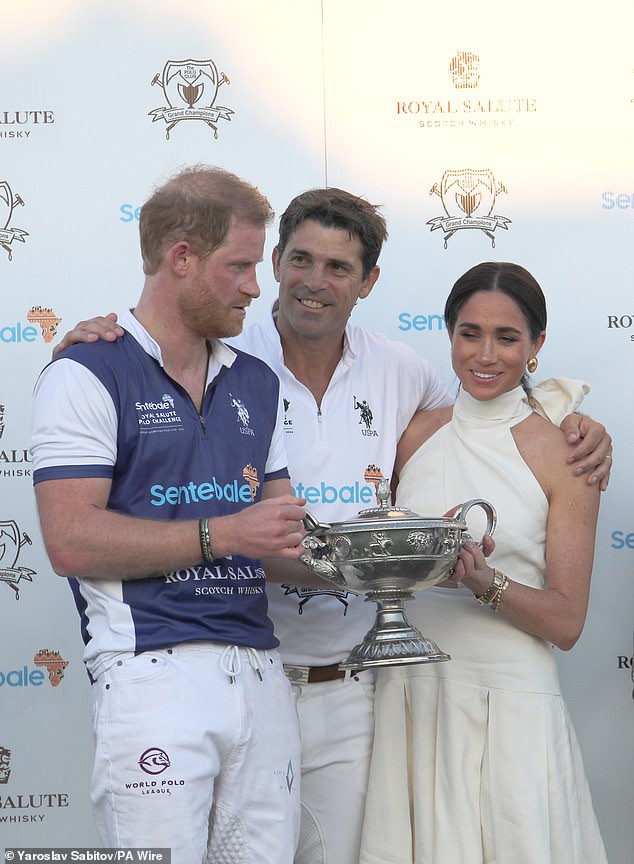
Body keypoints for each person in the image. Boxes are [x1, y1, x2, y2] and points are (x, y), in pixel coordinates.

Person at [54, 194, 613, 864]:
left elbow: (488, 416)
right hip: (243, 671)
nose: (315, 281)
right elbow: (149, 352)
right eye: (300, 260)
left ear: (368, 282)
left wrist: (575, 423)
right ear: (278, 262)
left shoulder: (402, 373)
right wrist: (96, 342)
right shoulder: (224, 358)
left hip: (357, 694)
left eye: (339, 267)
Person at [30, 166, 309, 864]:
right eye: (240, 266)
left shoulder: (256, 379)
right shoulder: (86, 372)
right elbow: (69, 540)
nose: (256, 285)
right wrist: (222, 534)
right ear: (181, 258)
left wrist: (394, 563)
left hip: (260, 674)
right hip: (152, 673)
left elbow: (277, 540)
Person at [359, 261, 609, 864]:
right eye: (470, 333)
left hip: (511, 702)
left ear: (536, 346)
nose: (486, 354)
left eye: (507, 337)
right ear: (448, 335)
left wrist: (482, 580)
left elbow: (567, 623)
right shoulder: (411, 437)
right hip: (412, 693)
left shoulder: (566, 454)